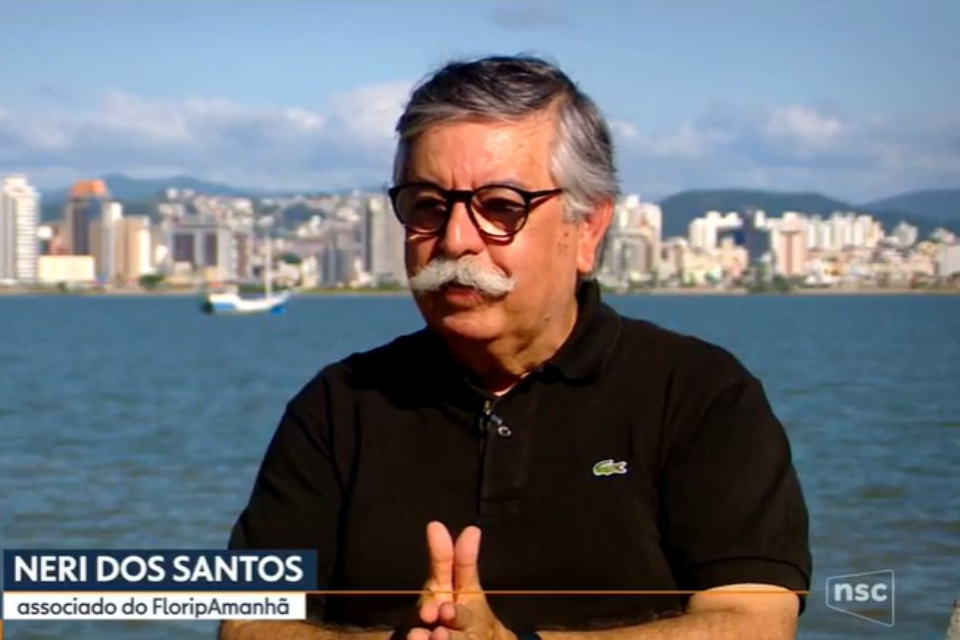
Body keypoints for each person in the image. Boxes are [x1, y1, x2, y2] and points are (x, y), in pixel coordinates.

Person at [219, 54, 812, 640]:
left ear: (588, 230)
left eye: (501, 207)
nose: (454, 240)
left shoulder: (699, 394)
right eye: (427, 206)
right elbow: (247, 622)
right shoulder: (340, 405)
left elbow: (753, 621)